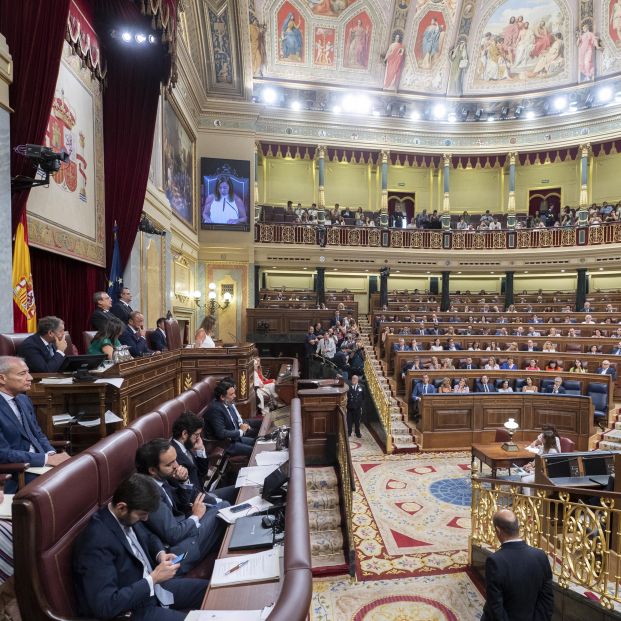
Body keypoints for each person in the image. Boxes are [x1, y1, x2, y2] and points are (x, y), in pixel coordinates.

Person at [72, 473, 209, 621]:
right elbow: (106, 606)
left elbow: (149, 537)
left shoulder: (124, 515)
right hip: (134, 610)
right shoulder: (96, 542)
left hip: (155, 590)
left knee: (211, 590)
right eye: (142, 514)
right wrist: (153, 578)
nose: (146, 519)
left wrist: (160, 554)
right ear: (121, 507)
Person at [135, 439, 231, 575]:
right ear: (152, 470)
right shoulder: (149, 492)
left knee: (219, 506)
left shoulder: (161, 478)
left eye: (175, 460)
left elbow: (181, 506)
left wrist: (183, 481)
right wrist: (196, 516)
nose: (177, 465)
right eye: (170, 464)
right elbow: (173, 535)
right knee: (223, 508)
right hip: (178, 552)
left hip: (184, 531)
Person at [0, 356, 70, 492]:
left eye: (28, 372)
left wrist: (51, 454)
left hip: (39, 465)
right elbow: (3, 454)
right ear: (2, 378)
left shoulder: (24, 399)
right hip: (17, 473)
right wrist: (45, 459)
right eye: (22, 374)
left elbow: (38, 434)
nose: (30, 377)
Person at [481, 509, 554, 621]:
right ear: (517, 527)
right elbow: (547, 600)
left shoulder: (495, 561)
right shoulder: (541, 556)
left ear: (498, 530)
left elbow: (495, 606)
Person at [203, 381, 255, 457]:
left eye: (234, 393)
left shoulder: (227, 402)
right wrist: (240, 431)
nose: (235, 396)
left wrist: (241, 426)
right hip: (225, 445)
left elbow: (234, 422)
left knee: (257, 442)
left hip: (234, 439)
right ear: (222, 397)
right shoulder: (215, 410)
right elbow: (221, 433)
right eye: (231, 394)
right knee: (254, 451)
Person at [170, 412, 211, 490]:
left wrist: (200, 449)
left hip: (202, 493)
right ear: (185, 434)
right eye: (197, 435)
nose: (199, 438)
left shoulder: (186, 446)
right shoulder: (173, 456)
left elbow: (202, 472)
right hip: (196, 499)